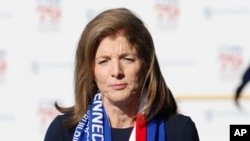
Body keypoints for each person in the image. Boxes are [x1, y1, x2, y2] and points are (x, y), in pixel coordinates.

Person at [44, 7, 199, 141]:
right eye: (104, 61)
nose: (116, 72)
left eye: (127, 59)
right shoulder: (64, 132)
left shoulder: (178, 131)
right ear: (91, 70)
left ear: (146, 64)